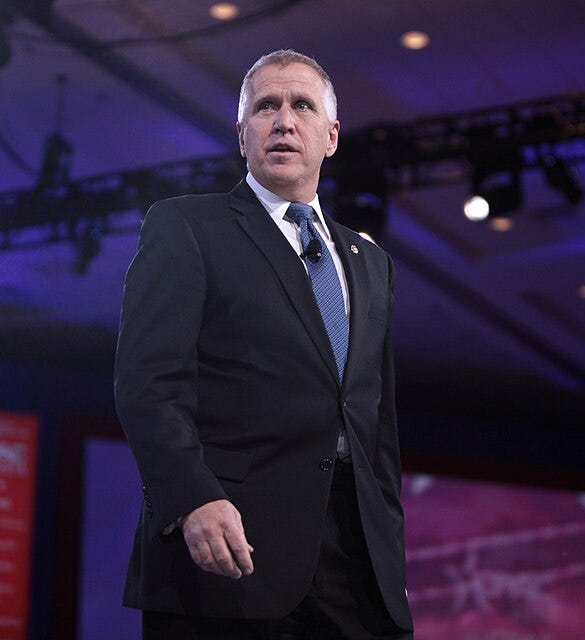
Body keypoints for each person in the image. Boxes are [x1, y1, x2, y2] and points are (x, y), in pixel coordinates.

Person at [114, 49, 413, 639]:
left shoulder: (370, 262)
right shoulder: (187, 227)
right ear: (242, 133)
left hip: (356, 569)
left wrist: (388, 558)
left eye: (302, 106)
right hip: (230, 549)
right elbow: (148, 386)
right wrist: (191, 499)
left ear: (330, 136)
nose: (283, 121)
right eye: (265, 107)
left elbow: (376, 430)